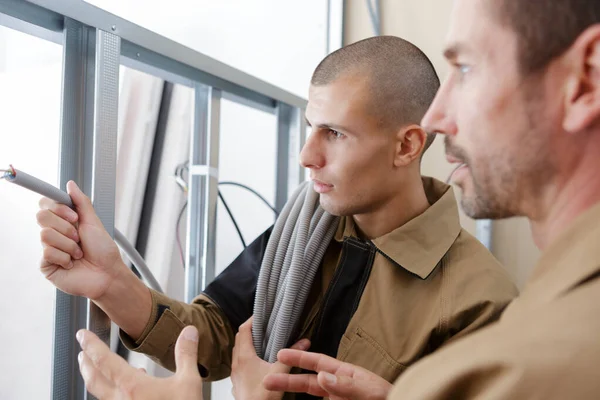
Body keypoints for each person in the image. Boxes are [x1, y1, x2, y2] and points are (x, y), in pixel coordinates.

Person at [37, 36, 517, 399]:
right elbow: (217, 334)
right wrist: (113, 282)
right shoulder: (302, 230)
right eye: (311, 127)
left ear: (407, 145)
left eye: (335, 133)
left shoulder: (480, 303)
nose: (307, 155)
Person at [256, 0, 600, 399]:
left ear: (585, 79)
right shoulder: (547, 322)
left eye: (466, 69)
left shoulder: (541, 353)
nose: (435, 116)